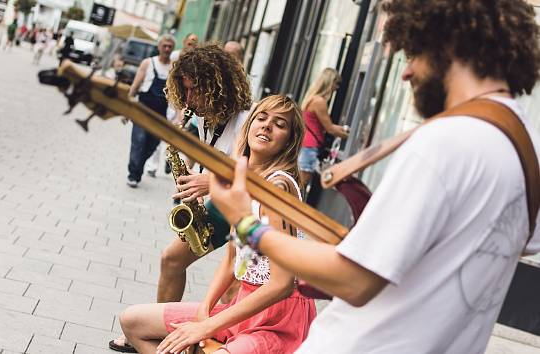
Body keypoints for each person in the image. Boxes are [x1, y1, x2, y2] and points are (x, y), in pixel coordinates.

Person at [209, 1, 540, 353]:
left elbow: (353, 281)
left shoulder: (443, 143)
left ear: (448, 43)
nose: (406, 73)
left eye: (413, 53)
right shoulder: (525, 148)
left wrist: (246, 223)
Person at [118, 95, 315, 354]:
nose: (267, 126)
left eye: (280, 124)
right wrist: (204, 310)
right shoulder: (242, 184)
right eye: (262, 118)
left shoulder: (278, 188)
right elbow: (234, 260)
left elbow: (282, 284)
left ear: (290, 141)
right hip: (245, 305)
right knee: (132, 322)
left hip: (279, 319)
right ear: (250, 125)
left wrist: (206, 328)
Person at [109, 43, 253, 353]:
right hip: (222, 200)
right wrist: (195, 180)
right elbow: (214, 159)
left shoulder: (246, 120)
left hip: (253, 214)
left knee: (233, 294)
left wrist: (208, 182)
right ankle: (161, 333)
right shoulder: (205, 115)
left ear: (217, 87)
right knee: (171, 260)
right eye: (184, 91)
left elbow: (254, 173)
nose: (188, 101)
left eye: (194, 91)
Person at [146, 32, 199, 177]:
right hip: (169, 97)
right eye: (190, 43)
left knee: (173, 133)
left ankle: (168, 158)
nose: (192, 46)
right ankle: (152, 166)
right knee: (159, 131)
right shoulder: (175, 56)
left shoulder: (197, 60)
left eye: (195, 43)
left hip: (184, 102)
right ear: (184, 42)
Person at [125, 34, 175, 188]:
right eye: (164, 46)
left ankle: (137, 167)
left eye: (169, 46)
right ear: (159, 47)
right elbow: (135, 85)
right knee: (139, 141)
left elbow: (175, 93)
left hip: (160, 114)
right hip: (142, 110)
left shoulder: (173, 67)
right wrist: (126, 107)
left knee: (152, 145)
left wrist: (179, 116)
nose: (166, 49)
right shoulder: (148, 63)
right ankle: (133, 174)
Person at [298, 68, 349, 187]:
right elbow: (330, 128)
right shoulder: (319, 102)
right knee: (301, 184)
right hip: (310, 147)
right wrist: (349, 136)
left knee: (299, 183)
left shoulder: (312, 98)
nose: (337, 88)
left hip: (305, 145)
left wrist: (343, 129)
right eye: (336, 83)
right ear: (330, 82)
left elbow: (324, 124)